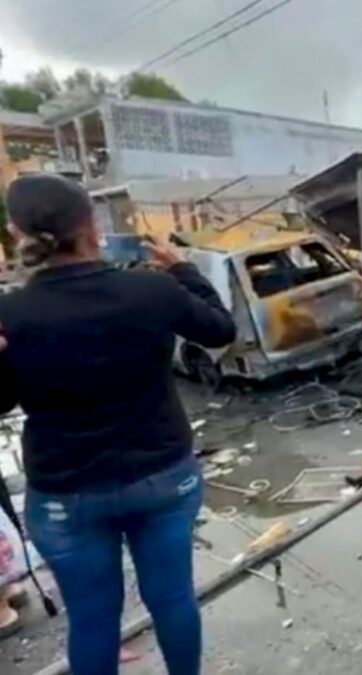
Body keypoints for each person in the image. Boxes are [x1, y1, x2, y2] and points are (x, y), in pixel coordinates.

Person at [0, 173, 236, 675]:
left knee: (92, 621)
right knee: (173, 600)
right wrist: (185, 271)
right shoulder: (151, 290)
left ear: (18, 234)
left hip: (67, 492)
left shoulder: (9, 313)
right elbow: (220, 329)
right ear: (91, 226)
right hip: (164, 478)